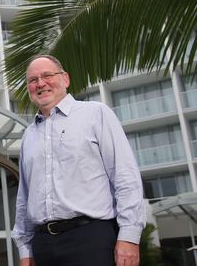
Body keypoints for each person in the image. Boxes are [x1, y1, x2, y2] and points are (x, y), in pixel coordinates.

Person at [12, 55, 145, 266]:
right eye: (33, 80)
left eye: (47, 75)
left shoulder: (96, 114)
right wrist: (25, 250)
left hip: (91, 239)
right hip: (43, 246)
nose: (40, 83)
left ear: (65, 79)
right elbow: (24, 198)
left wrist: (129, 236)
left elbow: (125, 176)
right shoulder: (29, 135)